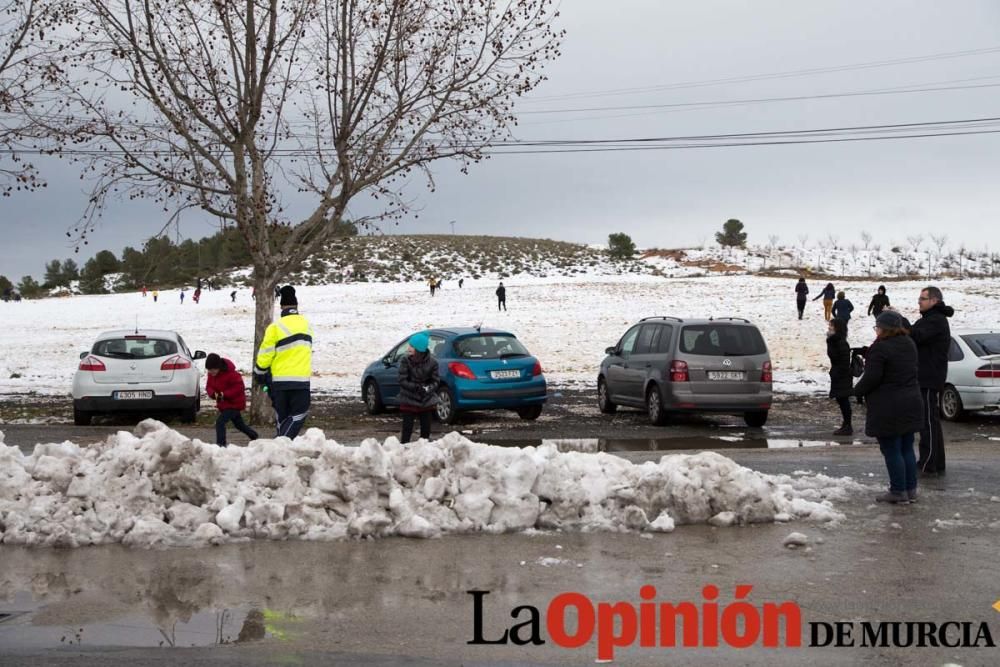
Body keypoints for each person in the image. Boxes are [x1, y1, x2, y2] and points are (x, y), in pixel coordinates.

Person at [853, 310, 924, 503]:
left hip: (889, 405)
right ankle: (910, 490)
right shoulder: (909, 344)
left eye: (878, 327)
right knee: (906, 448)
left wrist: (855, 391)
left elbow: (872, 377)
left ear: (885, 329)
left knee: (892, 449)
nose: (876, 331)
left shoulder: (881, 348)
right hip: (911, 401)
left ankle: (898, 491)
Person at [255, 285, 314, 439]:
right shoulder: (307, 325)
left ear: (281, 307)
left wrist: (259, 371)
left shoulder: (276, 327)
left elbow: (266, 353)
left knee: (282, 418)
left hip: (279, 382)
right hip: (301, 381)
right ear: (296, 306)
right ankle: (281, 447)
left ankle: (280, 446)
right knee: (298, 416)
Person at [910, 286, 954, 476]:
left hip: (928, 377)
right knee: (931, 422)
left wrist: (900, 322)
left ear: (934, 301)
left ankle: (928, 464)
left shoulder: (935, 320)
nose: (919, 301)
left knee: (927, 422)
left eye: (923, 298)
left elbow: (916, 336)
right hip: (927, 376)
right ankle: (936, 463)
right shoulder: (930, 319)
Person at [205, 353, 258, 447]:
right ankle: (254, 436)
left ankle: (221, 445)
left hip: (234, 404)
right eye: (209, 370)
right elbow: (209, 386)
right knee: (239, 425)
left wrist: (224, 394)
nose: (211, 372)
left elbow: (239, 387)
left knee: (220, 422)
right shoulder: (211, 375)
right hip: (224, 404)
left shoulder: (232, 374)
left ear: (219, 367)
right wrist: (213, 394)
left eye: (213, 369)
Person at [397, 332, 440, 443]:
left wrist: (427, 388)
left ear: (419, 349)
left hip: (426, 400)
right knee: (407, 429)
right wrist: (416, 387)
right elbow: (402, 380)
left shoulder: (433, 362)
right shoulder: (405, 360)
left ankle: (424, 453)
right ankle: (403, 451)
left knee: (425, 430)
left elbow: (435, 381)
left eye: (412, 346)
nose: (409, 348)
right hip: (408, 398)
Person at [827, 318, 853, 436]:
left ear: (837, 327)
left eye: (831, 325)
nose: (829, 327)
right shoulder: (834, 340)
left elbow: (844, 361)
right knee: (841, 399)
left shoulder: (840, 342)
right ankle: (846, 424)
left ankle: (847, 426)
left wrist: (837, 373)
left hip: (842, 375)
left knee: (843, 399)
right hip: (838, 374)